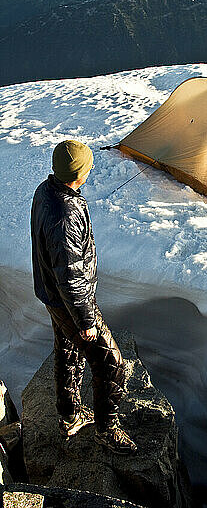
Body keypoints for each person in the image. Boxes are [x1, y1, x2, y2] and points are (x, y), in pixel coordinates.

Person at [30, 139, 136, 455]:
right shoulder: (64, 215)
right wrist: (86, 320)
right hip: (69, 301)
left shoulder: (47, 191)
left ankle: (70, 415)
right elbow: (70, 275)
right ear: (79, 173)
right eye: (88, 167)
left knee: (67, 348)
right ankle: (107, 430)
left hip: (52, 295)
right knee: (112, 366)